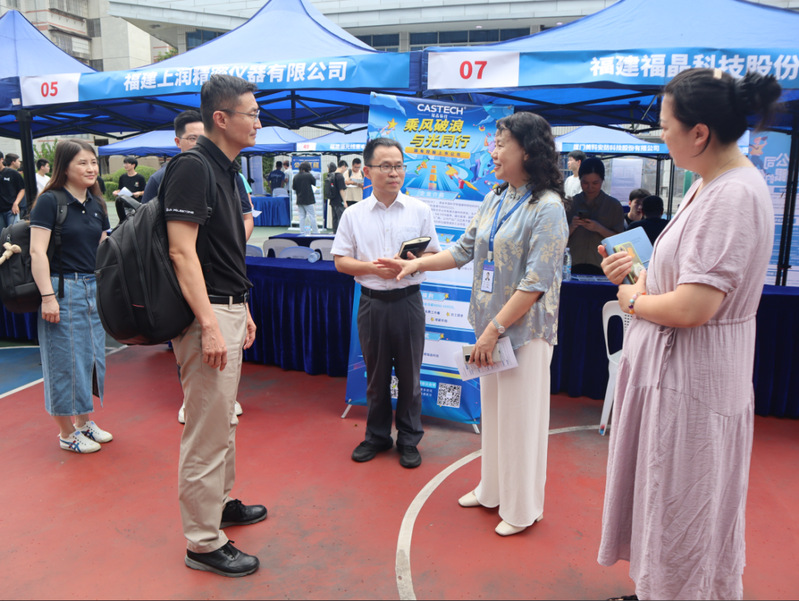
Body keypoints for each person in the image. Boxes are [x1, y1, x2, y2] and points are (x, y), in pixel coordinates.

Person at [596, 68, 780, 601]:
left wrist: (633, 300)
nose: (661, 134)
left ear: (699, 133)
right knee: (666, 497)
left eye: (665, 125)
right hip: (679, 372)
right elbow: (681, 281)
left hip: (693, 378)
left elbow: (694, 306)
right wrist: (639, 275)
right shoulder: (708, 184)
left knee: (684, 502)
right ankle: (658, 589)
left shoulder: (732, 196)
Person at [378, 112, 568, 536]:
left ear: (528, 150)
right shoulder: (497, 197)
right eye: (494, 143)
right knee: (496, 415)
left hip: (522, 333)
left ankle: (522, 508)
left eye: (501, 144)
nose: (492, 152)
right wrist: (415, 265)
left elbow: (536, 283)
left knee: (521, 422)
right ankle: (492, 489)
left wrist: (494, 329)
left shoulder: (548, 208)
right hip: (490, 328)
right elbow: (464, 249)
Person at [162, 74, 265, 577]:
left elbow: (220, 252)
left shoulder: (226, 169)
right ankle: (202, 543)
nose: (258, 122)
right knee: (206, 430)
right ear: (221, 119)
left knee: (223, 421)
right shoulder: (193, 166)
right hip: (207, 314)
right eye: (252, 113)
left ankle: (219, 505)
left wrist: (241, 307)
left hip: (227, 306)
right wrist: (208, 322)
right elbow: (182, 252)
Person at [331, 137, 440, 469]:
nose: (394, 173)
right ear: (367, 171)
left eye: (399, 166)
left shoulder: (420, 210)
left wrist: (413, 263)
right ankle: (377, 436)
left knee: (410, 375)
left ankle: (409, 439)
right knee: (376, 377)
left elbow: (433, 254)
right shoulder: (353, 214)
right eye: (386, 166)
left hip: (408, 302)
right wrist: (373, 268)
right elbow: (340, 262)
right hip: (372, 303)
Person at [29, 140, 111, 454]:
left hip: (92, 288)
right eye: (82, 163)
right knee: (63, 361)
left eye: (93, 162)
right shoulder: (50, 201)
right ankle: (66, 433)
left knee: (90, 358)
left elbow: (103, 248)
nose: (91, 169)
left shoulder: (96, 204)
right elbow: (37, 252)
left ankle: (83, 422)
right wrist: (48, 297)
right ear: (64, 167)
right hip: (62, 288)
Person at [142, 110, 254, 242]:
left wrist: (236, 246)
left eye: (204, 138)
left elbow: (247, 218)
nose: (199, 143)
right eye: (192, 138)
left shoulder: (230, 173)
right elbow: (146, 226)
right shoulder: (159, 179)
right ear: (178, 142)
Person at [565, 157, 624, 274]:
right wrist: (572, 226)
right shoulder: (570, 204)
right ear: (580, 180)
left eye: (595, 183)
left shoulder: (613, 206)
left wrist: (599, 228)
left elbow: (620, 240)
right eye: (585, 183)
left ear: (602, 180)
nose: (590, 187)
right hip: (573, 265)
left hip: (602, 267)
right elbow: (558, 238)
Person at [113, 156, 146, 223]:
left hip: (136, 205)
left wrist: (139, 193)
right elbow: (120, 189)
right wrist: (116, 192)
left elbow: (145, 191)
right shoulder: (122, 177)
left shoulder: (140, 178)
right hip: (125, 205)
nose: (125, 165)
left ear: (133, 165)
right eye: (124, 163)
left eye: (127, 163)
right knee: (125, 222)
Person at [293, 161, 319, 233]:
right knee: (312, 216)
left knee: (302, 217)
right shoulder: (309, 175)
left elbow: (294, 187)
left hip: (299, 199)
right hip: (308, 199)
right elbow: (314, 183)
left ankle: (302, 232)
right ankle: (315, 231)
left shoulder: (296, 176)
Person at [0, 153, 25, 228]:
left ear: (1, 159)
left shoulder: (12, 173)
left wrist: (16, 203)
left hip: (11, 209)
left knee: (13, 231)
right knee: (2, 233)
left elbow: (22, 189)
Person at [328, 160, 347, 233]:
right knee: (341, 218)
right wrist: (345, 201)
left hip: (332, 200)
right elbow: (341, 190)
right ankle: (340, 233)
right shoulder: (340, 176)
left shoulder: (331, 175)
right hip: (339, 201)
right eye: (345, 168)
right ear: (343, 166)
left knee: (334, 218)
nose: (345, 170)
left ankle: (334, 232)